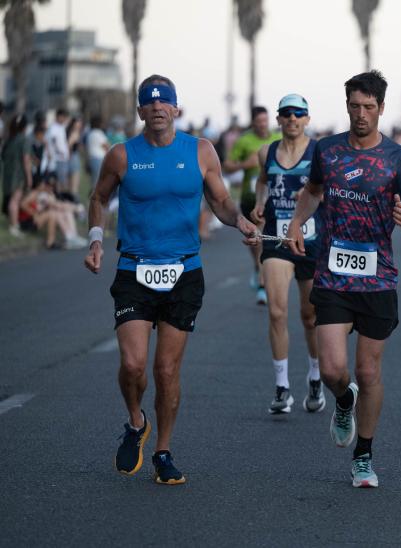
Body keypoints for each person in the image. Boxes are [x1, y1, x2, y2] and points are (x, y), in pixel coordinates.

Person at [83, 74, 258, 485]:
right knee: (133, 364)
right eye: (150, 102)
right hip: (134, 269)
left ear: (176, 109)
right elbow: (98, 198)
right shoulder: (122, 155)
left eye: (165, 102)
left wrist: (240, 221)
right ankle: (135, 420)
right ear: (140, 111)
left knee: (165, 371)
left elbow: (220, 201)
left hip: (183, 271)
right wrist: (95, 239)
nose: (158, 108)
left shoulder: (199, 151)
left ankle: (163, 450)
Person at [286, 70, 401, 488]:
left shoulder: (397, 158)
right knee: (333, 369)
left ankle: (363, 457)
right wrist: (296, 223)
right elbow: (312, 191)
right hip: (332, 275)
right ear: (346, 105)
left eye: (369, 107)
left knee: (368, 373)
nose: (361, 114)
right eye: (354, 106)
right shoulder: (327, 150)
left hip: (378, 279)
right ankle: (342, 401)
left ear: (381, 108)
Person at [251, 94, 325, 415]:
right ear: (279, 119)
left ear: (307, 119)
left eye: (299, 114)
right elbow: (262, 181)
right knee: (277, 312)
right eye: (286, 113)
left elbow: (330, 192)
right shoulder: (266, 152)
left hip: (311, 240)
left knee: (310, 317)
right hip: (277, 239)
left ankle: (315, 376)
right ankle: (282, 387)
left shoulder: (319, 152)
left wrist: (311, 196)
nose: (292, 118)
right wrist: (258, 203)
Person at [224, 106, 281, 305]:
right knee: (253, 239)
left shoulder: (277, 139)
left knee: (262, 239)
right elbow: (227, 165)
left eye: (265, 121)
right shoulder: (245, 140)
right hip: (249, 197)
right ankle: (258, 269)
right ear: (254, 123)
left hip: (270, 197)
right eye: (259, 121)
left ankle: (263, 285)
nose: (263, 124)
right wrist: (244, 164)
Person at [2, 114, 33, 237]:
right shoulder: (24, 139)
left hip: (8, 173)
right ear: (24, 127)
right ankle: (14, 226)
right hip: (18, 174)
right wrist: (29, 178)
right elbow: (26, 160)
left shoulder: (9, 139)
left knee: (11, 199)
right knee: (14, 201)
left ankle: (14, 223)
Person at [46, 108, 71, 197]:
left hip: (62, 158)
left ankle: (61, 198)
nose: (64, 119)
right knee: (60, 183)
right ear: (59, 116)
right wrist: (61, 152)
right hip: (58, 159)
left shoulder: (61, 127)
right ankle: (59, 198)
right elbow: (54, 140)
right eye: (64, 117)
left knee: (62, 182)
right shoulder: (54, 128)